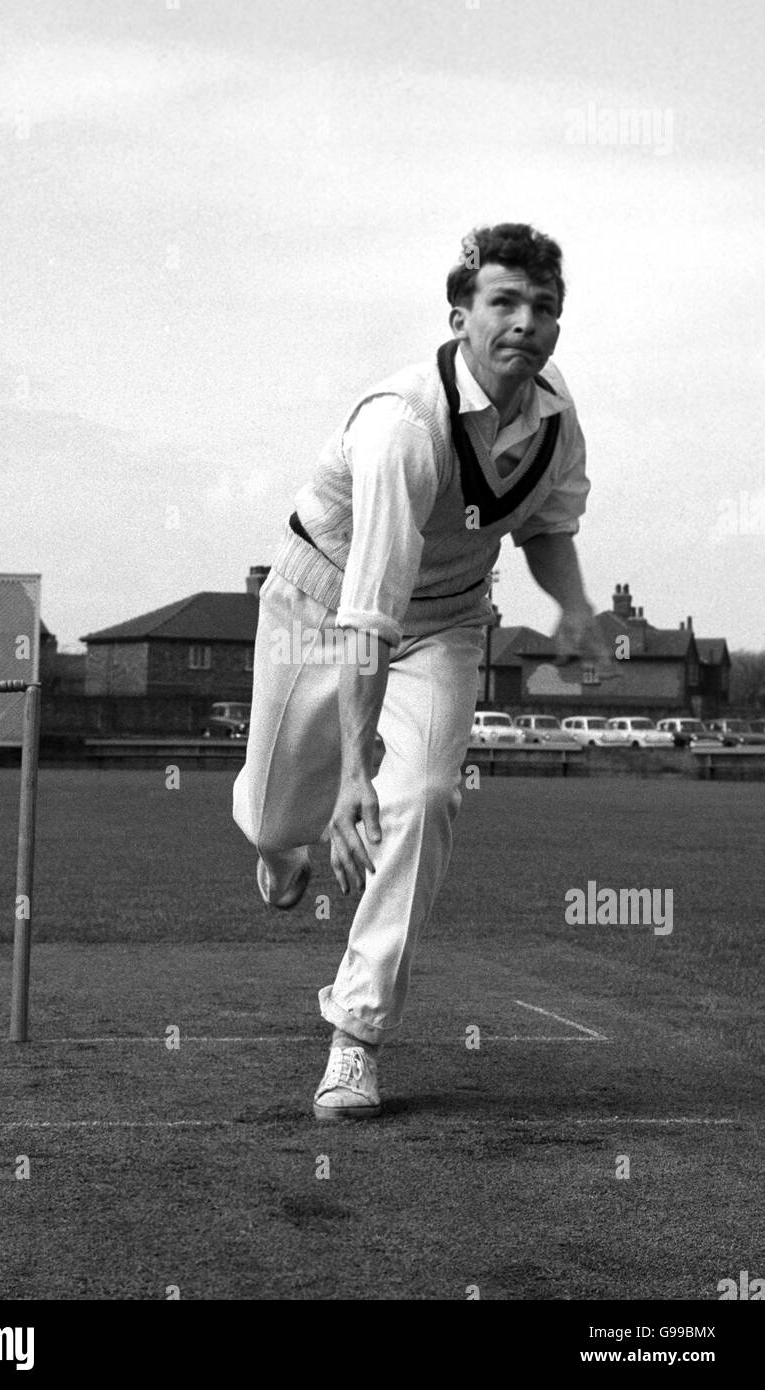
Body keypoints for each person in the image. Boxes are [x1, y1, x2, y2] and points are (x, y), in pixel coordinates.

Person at [233, 223, 612, 1121]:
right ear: (460, 315)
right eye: (504, 302)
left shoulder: (556, 417)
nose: (525, 321)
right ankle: (280, 843)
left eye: (544, 308)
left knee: (429, 794)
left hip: (445, 622)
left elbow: (546, 529)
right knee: (281, 813)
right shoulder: (405, 423)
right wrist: (352, 776)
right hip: (323, 606)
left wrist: (576, 607)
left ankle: (354, 1039)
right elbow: (369, 612)